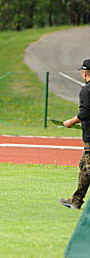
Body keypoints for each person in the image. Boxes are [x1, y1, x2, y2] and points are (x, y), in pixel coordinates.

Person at [59, 59, 90, 209]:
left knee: (89, 169)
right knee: (84, 167)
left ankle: (76, 201)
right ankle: (76, 201)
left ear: (84, 72)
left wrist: (71, 122)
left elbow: (84, 113)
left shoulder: (86, 90)